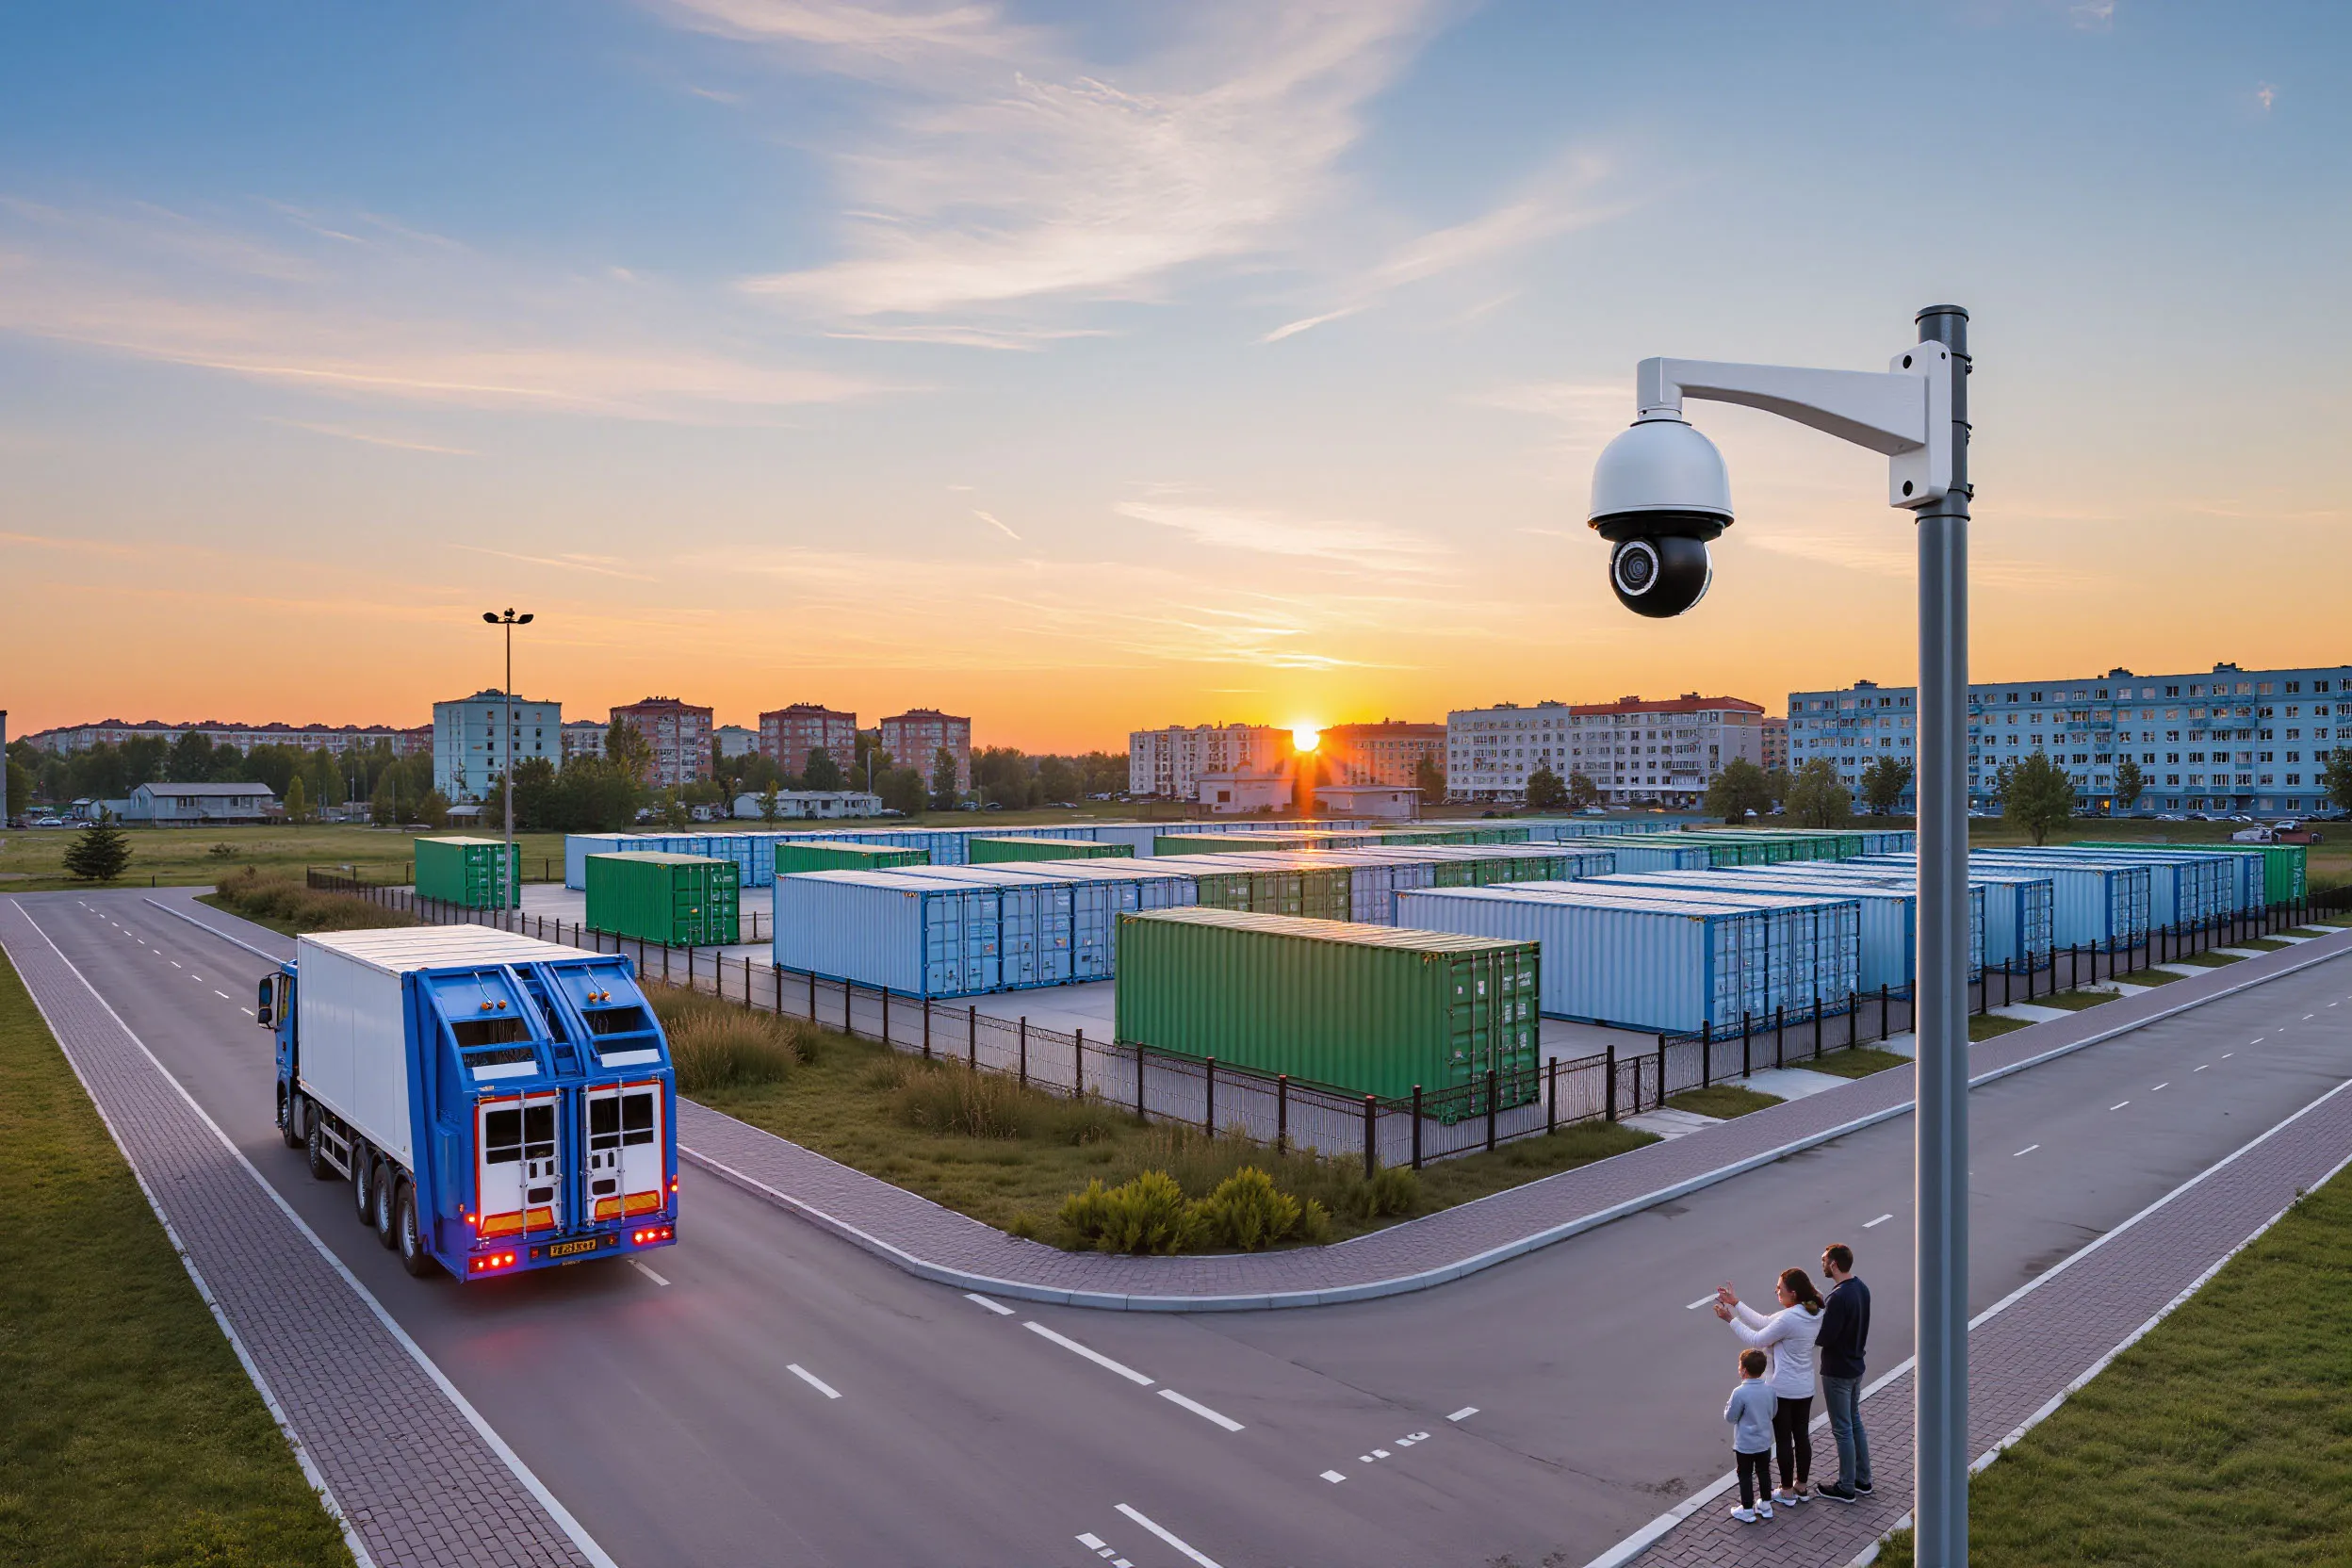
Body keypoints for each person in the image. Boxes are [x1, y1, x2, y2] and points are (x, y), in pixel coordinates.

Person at [1716, 1266, 1825, 1506]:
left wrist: (1730, 1319)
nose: (1776, 1291)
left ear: (1793, 1293)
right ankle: (1801, 1487)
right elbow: (1765, 1321)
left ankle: (1786, 1491)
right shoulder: (1812, 1311)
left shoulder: (1790, 1318)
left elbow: (1758, 1338)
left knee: (1784, 1439)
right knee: (1802, 1437)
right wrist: (1736, 1302)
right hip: (1805, 1387)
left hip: (1784, 1389)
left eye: (1780, 1288)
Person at [1815, 1242, 1873, 1502]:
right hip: (1855, 1366)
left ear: (1834, 1264)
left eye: (1825, 1260)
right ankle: (1863, 1479)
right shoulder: (1861, 1288)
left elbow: (1826, 1338)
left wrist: (1814, 1318)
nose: (1823, 1264)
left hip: (1837, 1371)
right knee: (1855, 1422)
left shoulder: (1837, 1297)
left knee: (1842, 1429)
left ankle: (1846, 1486)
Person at [1724, 1348, 1778, 1525]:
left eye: (1739, 1365)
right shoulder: (1769, 1390)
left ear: (1744, 1370)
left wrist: (1728, 1408)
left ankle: (1747, 1509)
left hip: (1745, 1444)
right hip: (1764, 1442)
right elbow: (1773, 1412)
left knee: (1745, 1474)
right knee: (1764, 1472)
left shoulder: (1739, 1392)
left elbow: (1731, 1417)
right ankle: (1765, 1505)